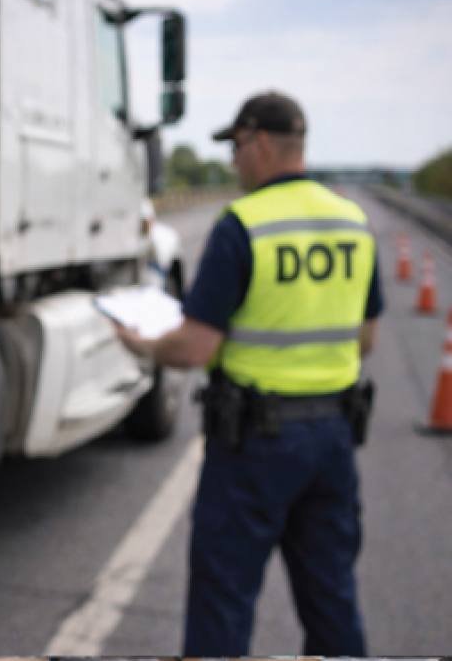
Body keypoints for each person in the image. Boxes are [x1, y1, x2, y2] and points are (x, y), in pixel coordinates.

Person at [115, 91, 382, 656]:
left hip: (254, 446)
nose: (234, 161)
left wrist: (143, 346)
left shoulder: (243, 224)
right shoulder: (353, 222)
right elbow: (366, 337)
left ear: (260, 143)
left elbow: (194, 347)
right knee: (332, 600)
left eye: (236, 147)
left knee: (223, 603)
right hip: (333, 439)